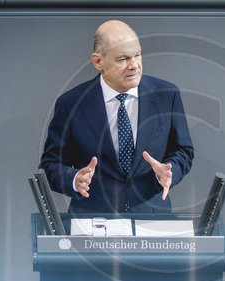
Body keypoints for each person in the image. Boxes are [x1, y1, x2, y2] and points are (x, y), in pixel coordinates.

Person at [40, 20, 194, 214]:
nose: (134, 65)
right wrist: (74, 178)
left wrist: (170, 171)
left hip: (152, 221)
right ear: (98, 62)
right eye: (123, 59)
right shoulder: (71, 104)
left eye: (137, 55)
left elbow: (183, 150)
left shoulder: (166, 95)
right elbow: (50, 164)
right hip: (92, 223)